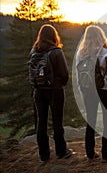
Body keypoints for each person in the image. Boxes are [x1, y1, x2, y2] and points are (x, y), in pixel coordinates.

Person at [76, 25, 107, 162]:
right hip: (106, 90)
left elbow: (79, 76)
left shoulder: (81, 54)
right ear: (101, 37)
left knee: (91, 121)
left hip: (89, 91)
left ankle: (90, 153)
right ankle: (106, 154)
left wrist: (82, 90)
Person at [30, 24, 72, 162]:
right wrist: (60, 84)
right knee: (57, 122)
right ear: (54, 36)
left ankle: (44, 154)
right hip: (54, 91)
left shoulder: (34, 52)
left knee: (41, 123)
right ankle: (61, 151)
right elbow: (65, 74)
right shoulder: (56, 52)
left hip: (38, 91)